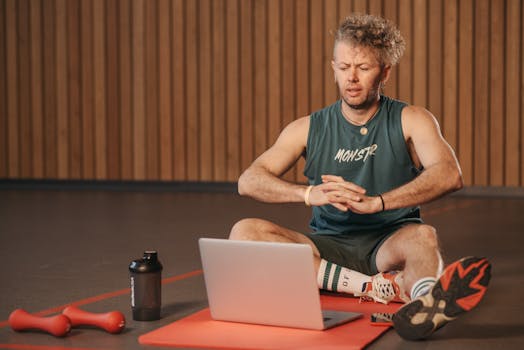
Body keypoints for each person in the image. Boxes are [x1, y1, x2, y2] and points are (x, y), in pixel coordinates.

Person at [229, 13, 491, 340]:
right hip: (327, 246)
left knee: (424, 237)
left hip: (389, 241)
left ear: (385, 71)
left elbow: (449, 174)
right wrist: (311, 194)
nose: (351, 78)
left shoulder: (412, 119)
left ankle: (426, 305)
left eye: (363, 68)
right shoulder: (308, 127)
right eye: (343, 67)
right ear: (333, 67)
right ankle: (375, 287)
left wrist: (378, 203)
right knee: (244, 232)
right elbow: (249, 180)